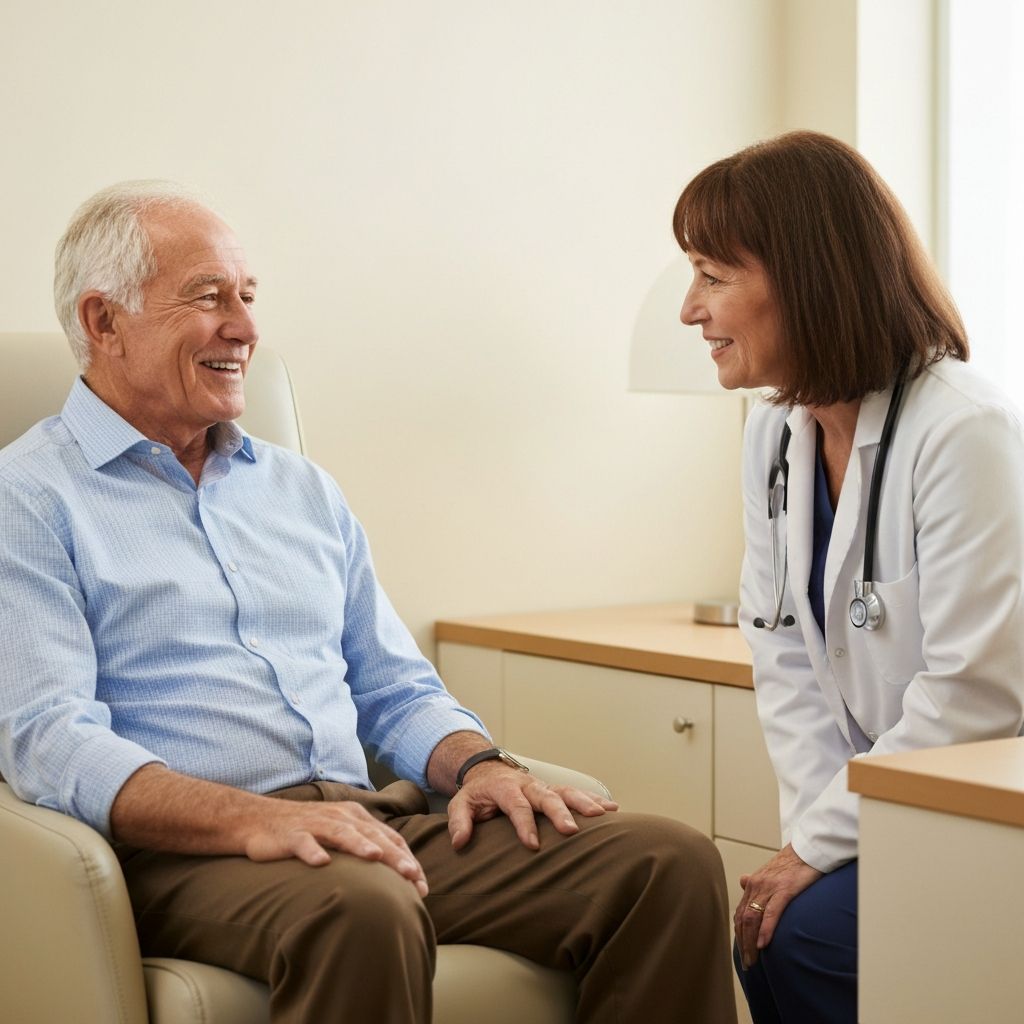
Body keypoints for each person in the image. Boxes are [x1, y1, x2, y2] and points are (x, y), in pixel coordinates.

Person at [0, 181, 738, 1024]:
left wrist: (481, 764)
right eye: (209, 299)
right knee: (362, 904)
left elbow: (392, 687)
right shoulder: (28, 498)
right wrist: (249, 821)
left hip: (368, 823)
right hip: (190, 854)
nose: (244, 327)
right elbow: (51, 740)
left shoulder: (300, 489)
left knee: (667, 864)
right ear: (103, 322)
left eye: (247, 297)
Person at [674, 131, 1024, 1023]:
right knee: (769, 922)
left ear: (804, 277)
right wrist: (813, 843)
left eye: (713, 276)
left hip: (985, 806)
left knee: (803, 937)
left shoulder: (963, 432)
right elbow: (783, 654)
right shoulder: (774, 433)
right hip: (888, 805)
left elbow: (974, 697)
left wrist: (820, 847)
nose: (689, 309)